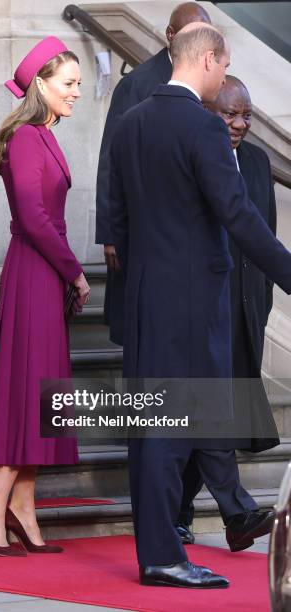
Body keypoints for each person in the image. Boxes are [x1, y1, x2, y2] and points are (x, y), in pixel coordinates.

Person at [110, 22, 291, 588]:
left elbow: (121, 215)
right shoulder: (202, 128)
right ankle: (164, 557)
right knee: (171, 428)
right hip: (190, 304)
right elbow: (239, 216)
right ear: (209, 60)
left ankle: (158, 550)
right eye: (223, 64)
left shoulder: (132, 121)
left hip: (144, 296)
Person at [96, 1, 212, 545]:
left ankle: (178, 512)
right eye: (191, 31)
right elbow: (110, 163)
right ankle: (163, 521)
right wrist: (111, 231)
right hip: (145, 261)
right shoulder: (137, 87)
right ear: (170, 36)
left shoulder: (209, 92)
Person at [0, 37, 90, 557]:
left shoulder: (42, 135)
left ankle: (23, 506)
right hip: (34, 273)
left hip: (45, 274)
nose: (77, 93)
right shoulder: (25, 136)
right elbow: (35, 217)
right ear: (40, 84)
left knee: (42, 393)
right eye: (68, 84)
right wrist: (75, 273)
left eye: (79, 84)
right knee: (29, 391)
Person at [178, 76, 280, 527]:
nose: (239, 124)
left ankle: (214, 512)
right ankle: (208, 511)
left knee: (222, 414)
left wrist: (262, 302)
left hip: (246, 310)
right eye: (229, 114)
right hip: (205, 310)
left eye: (247, 115)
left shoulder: (257, 162)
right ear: (206, 111)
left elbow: (266, 237)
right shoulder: (192, 157)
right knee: (207, 413)